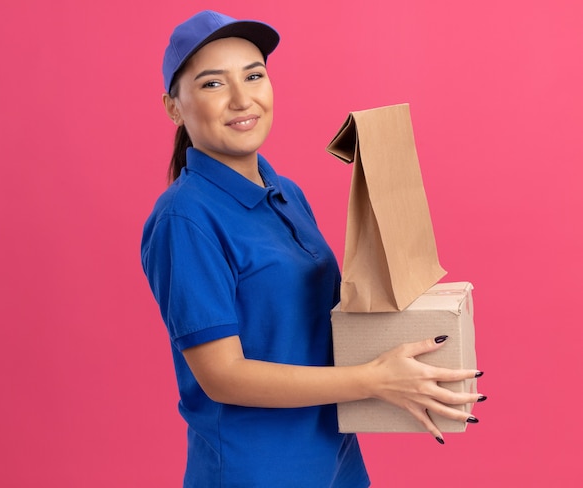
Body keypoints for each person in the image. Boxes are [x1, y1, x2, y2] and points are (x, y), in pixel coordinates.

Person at [141, 10, 485, 488]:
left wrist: (415, 343)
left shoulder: (286, 193)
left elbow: (319, 322)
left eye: (254, 75)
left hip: (334, 456)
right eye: (213, 84)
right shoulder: (186, 218)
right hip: (255, 470)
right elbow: (223, 376)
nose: (243, 98)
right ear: (174, 107)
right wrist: (374, 379)